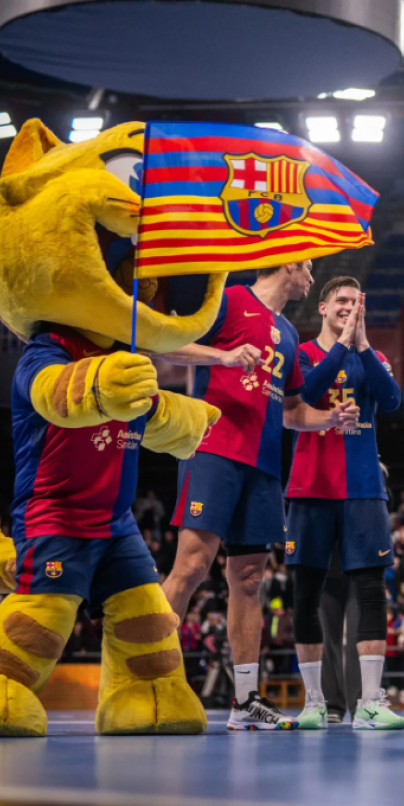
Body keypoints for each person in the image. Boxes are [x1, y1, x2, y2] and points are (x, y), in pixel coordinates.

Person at [159, 262, 359, 729]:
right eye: (308, 267)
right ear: (289, 264)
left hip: (264, 466)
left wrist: (328, 419)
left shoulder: (289, 333)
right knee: (190, 567)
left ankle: (245, 700)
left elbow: (291, 409)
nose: (312, 277)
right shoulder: (227, 299)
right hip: (213, 450)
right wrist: (222, 357)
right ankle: (150, 678)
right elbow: (166, 343)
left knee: (250, 580)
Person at [283, 277, 404, 729]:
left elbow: (391, 399)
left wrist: (364, 343)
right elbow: (308, 394)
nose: (349, 308)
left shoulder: (370, 357)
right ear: (323, 306)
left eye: (356, 303)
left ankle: (371, 699)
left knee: (372, 591)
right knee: (307, 593)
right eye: (342, 301)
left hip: (363, 489)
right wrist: (341, 349)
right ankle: (315, 701)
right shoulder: (302, 354)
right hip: (311, 487)